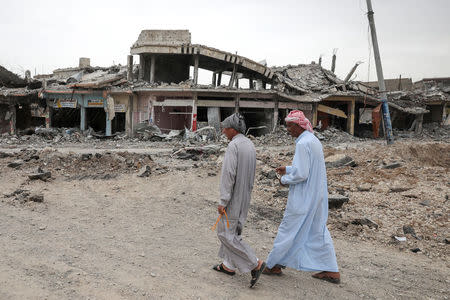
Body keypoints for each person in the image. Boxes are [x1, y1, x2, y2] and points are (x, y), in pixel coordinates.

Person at [263, 110, 340, 284]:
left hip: (304, 197)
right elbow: (306, 167)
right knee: (317, 230)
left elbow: (302, 174)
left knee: (288, 228)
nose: (287, 129)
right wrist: (289, 169)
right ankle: (331, 269)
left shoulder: (302, 143)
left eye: (290, 126)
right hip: (316, 196)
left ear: (299, 126)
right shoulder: (312, 140)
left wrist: (284, 179)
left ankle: (273, 264)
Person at [212, 113, 266, 288]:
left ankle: (255, 263)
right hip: (245, 195)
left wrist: (223, 200)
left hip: (234, 197)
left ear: (232, 130)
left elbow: (229, 175)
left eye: (225, 129)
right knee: (234, 231)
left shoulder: (233, 146)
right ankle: (228, 265)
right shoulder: (249, 144)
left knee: (225, 233)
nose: (223, 132)